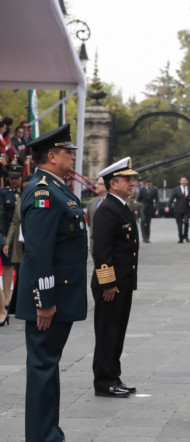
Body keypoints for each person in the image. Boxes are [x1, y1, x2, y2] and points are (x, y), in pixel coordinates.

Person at [18, 123, 87, 442]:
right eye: (67, 153)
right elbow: (40, 252)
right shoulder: (43, 191)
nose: (72, 157)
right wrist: (44, 301)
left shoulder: (56, 187)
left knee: (48, 367)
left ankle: (49, 432)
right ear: (51, 155)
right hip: (48, 299)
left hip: (58, 296)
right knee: (43, 369)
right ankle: (42, 436)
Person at [90, 157, 140, 398]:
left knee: (117, 332)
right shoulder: (107, 209)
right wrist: (108, 282)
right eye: (127, 179)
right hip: (111, 285)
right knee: (107, 332)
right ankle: (103, 380)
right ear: (113, 183)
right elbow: (101, 250)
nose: (132, 183)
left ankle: (113, 375)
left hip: (123, 283)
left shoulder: (120, 206)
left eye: (132, 179)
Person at [4, 174, 31, 315]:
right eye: (24, 187)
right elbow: (14, 222)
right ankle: (17, 302)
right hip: (20, 242)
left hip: (33, 241)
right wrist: (7, 243)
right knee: (20, 271)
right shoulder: (20, 200)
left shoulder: (37, 198)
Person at [0, 163, 23, 319]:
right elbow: (1, 214)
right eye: (11, 178)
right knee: (7, 264)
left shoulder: (26, 192)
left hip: (22, 236)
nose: (13, 181)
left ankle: (17, 298)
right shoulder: (3, 193)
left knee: (20, 266)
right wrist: (3, 234)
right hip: (7, 234)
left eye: (16, 178)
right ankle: (7, 297)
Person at [165, 177, 190, 243]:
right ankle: (181, 238)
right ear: (180, 182)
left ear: (187, 181)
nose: (183, 182)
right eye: (182, 181)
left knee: (186, 222)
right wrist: (167, 206)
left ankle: (185, 235)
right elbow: (171, 198)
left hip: (187, 209)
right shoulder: (176, 189)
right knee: (179, 225)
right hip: (178, 209)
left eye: (184, 181)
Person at [86, 177, 107, 251]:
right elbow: (89, 222)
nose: (96, 186)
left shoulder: (114, 202)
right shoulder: (91, 203)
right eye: (96, 183)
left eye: (99, 184)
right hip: (94, 245)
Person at [136, 178, 159, 243]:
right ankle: (144, 237)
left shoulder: (154, 190)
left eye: (150, 184)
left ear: (151, 184)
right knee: (143, 221)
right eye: (147, 184)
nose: (149, 185)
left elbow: (157, 200)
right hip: (142, 207)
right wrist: (136, 209)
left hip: (150, 208)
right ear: (145, 184)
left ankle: (147, 237)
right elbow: (138, 200)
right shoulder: (142, 189)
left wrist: (157, 209)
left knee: (148, 223)